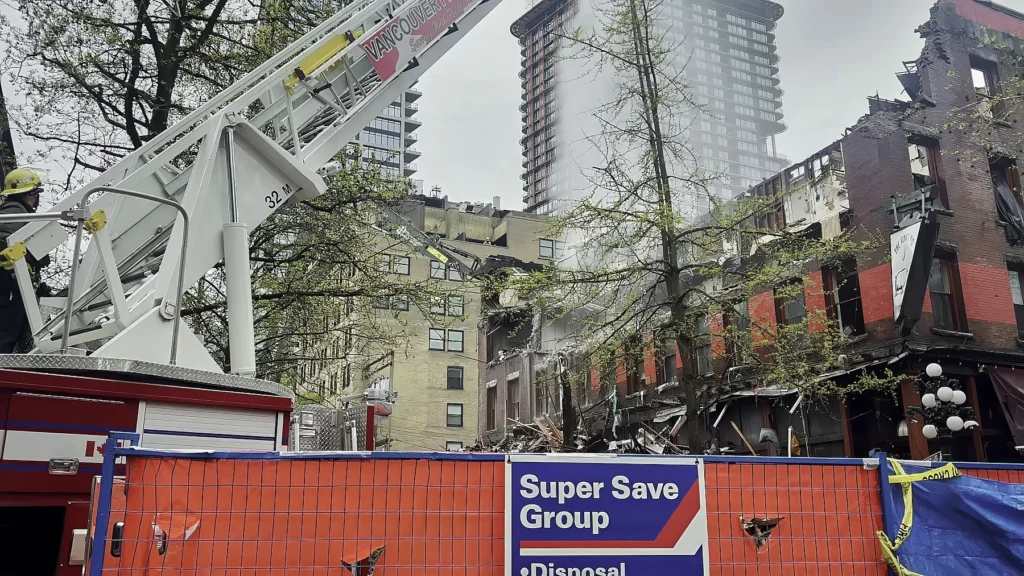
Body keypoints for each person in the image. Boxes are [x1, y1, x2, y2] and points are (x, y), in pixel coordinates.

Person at [1, 167, 49, 353]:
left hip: (13, 281)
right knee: (5, 334)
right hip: (9, 281)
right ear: (32, 194)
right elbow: (4, 239)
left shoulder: (17, 212)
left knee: (14, 335)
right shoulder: (15, 211)